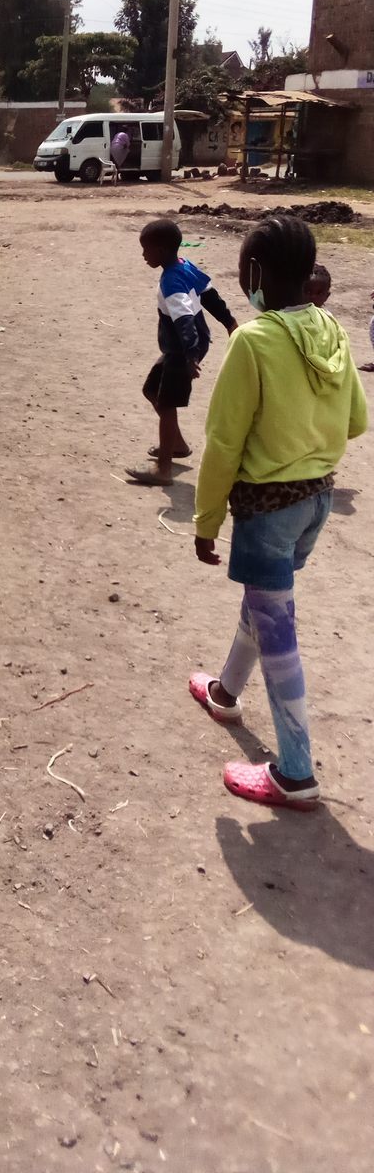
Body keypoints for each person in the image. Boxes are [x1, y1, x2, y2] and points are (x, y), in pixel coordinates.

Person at [190, 214, 367, 809]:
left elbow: (223, 444)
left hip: (267, 509)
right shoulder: (331, 327)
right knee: (267, 602)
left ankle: (295, 773)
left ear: (255, 273)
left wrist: (206, 520)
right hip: (317, 500)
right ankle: (224, 693)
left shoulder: (253, 340)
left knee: (277, 629)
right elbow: (357, 421)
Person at [127, 219, 237, 487]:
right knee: (151, 390)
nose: (143, 255)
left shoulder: (171, 282)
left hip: (183, 349)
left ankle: (163, 469)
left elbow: (184, 320)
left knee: (167, 404)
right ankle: (177, 445)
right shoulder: (184, 265)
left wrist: (190, 357)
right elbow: (210, 295)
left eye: (146, 249)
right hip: (185, 347)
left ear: (161, 250)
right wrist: (229, 322)